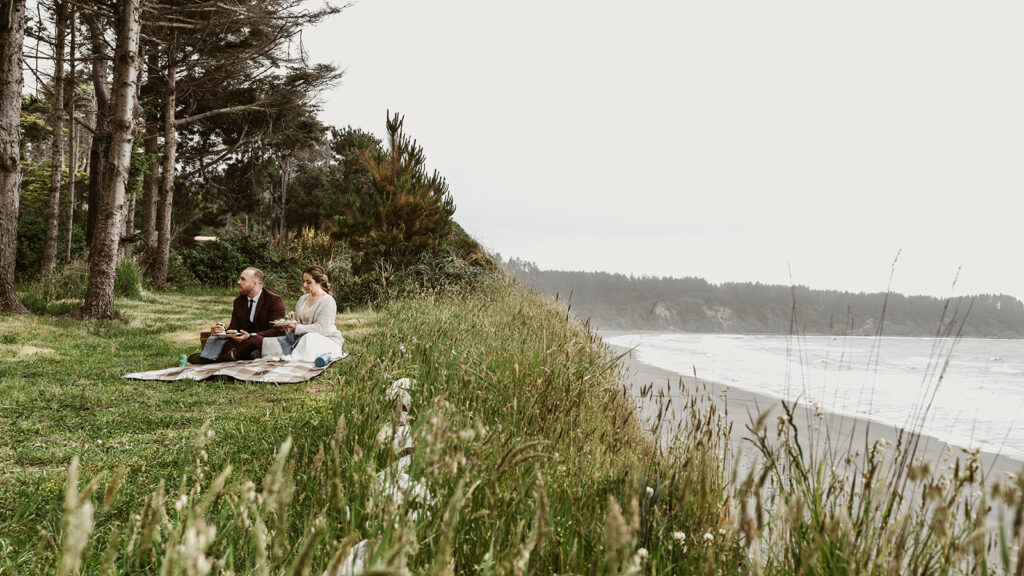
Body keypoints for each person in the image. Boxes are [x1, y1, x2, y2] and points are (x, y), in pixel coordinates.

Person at [188, 267, 287, 364]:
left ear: (254, 284)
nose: (238, 282)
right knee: (220, 341)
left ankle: (220, 359)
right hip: (243, 342)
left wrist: (251, 336)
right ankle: (249, 354)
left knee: (254, 341)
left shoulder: (274, 300)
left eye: (243, 279)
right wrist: (224, 332)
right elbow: (234, 328)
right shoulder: (239, 302)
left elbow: (278, 330)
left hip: (264, 340)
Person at [262, 265, 344, 362]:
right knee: (268, 343)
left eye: (309, 282)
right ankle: (290, 353)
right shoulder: (303, 299)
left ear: (319, 282)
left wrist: (296, 327)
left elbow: (321, 328)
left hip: (325, 339)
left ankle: (292, 355)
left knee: (308, 338)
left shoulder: (328, 301)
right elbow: (297, 324)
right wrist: (291, 322)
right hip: (300, 338)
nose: (304, 285)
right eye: (303, 281)